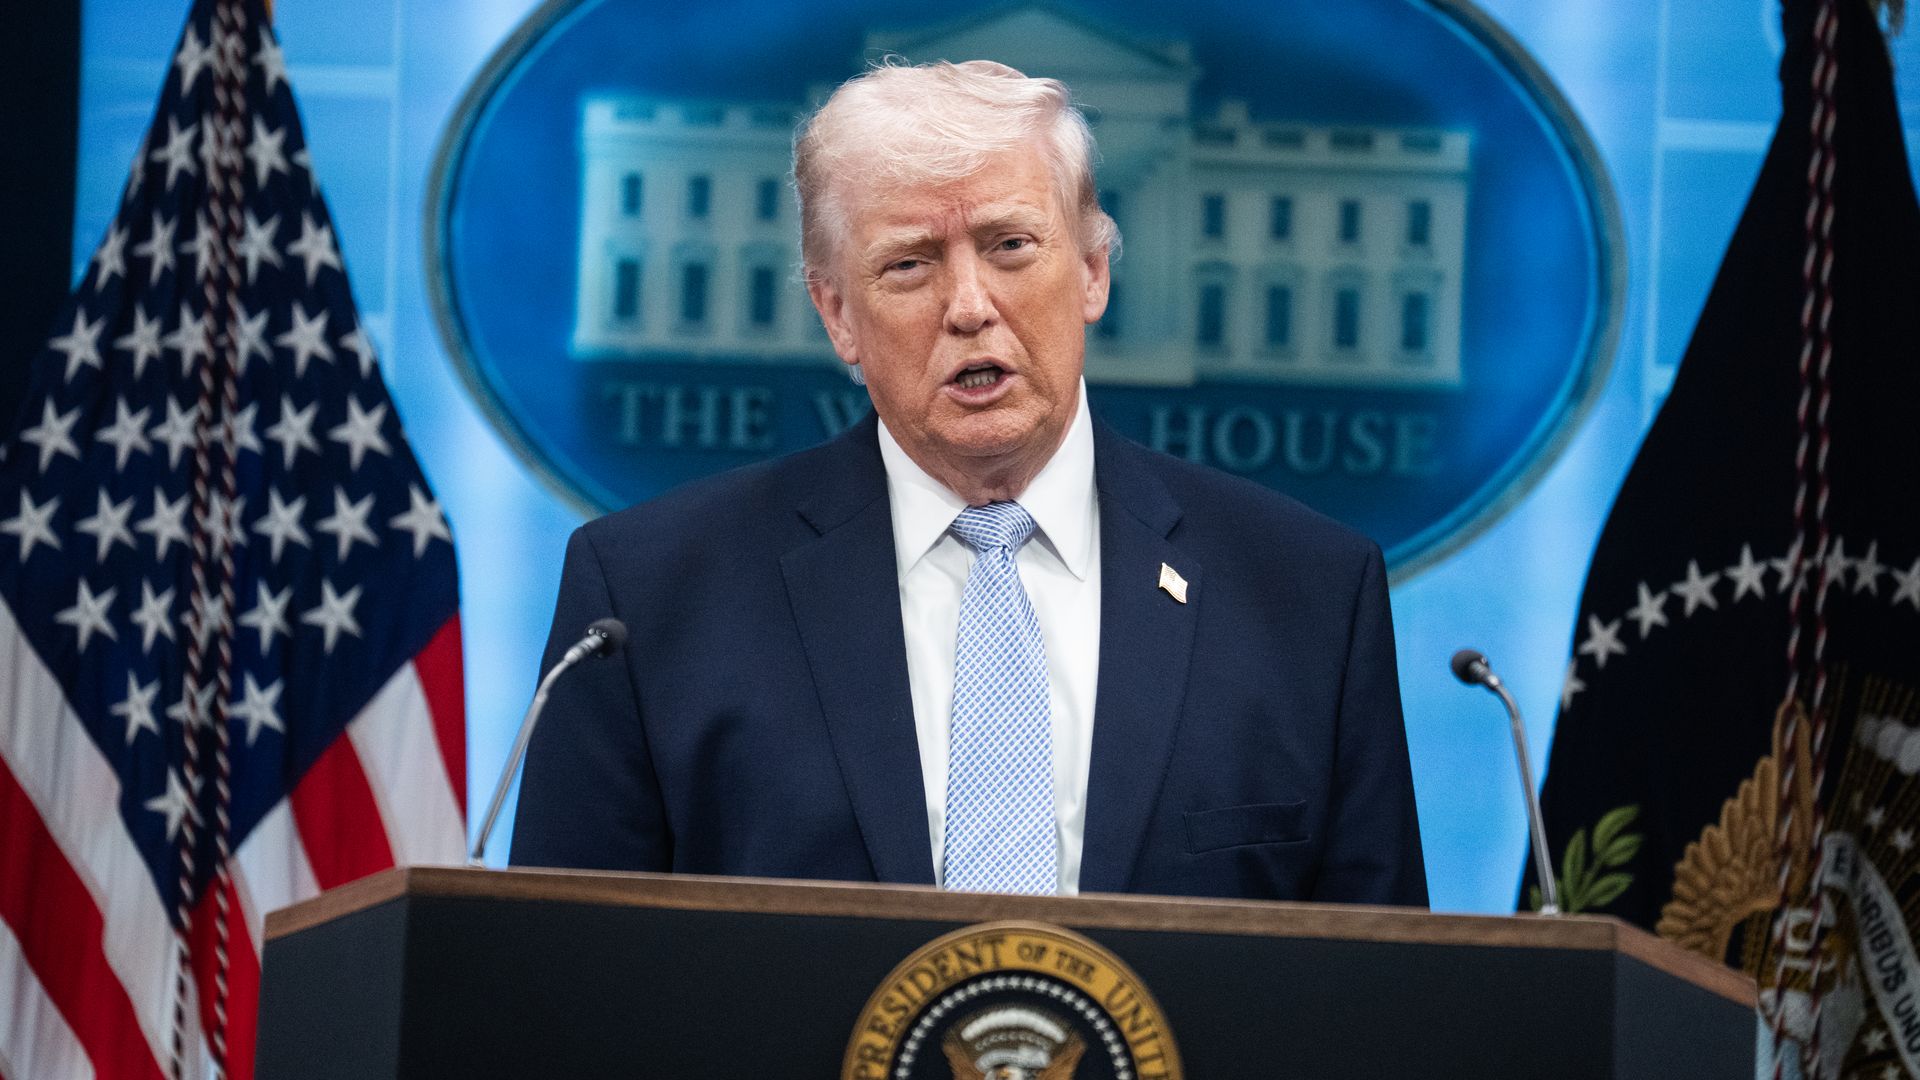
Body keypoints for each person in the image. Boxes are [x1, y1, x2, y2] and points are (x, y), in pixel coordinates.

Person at [510, 60, 1426, 905]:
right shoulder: (647, 601)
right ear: (838, 315)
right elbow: (562, 992)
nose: (970, 306)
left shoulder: (1308, 596)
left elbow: (1378, 1001)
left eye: (1011, 245)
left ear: (1094, 270)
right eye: (909, 263)